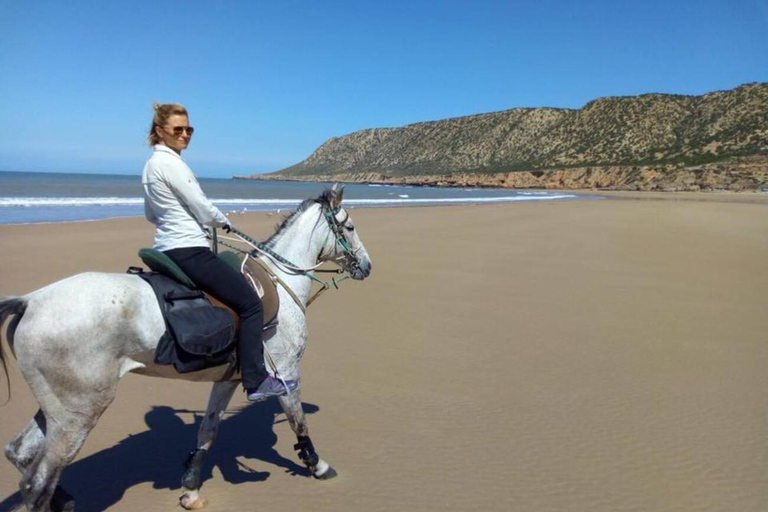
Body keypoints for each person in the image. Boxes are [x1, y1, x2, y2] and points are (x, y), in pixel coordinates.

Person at [141, 102, 296, 402]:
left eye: (189, 129)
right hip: (188, 248)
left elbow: (151, 214)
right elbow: (199, 204)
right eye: (178, 129)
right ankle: (254, 379)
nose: (185, 134)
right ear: (160, 131)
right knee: (250, 303)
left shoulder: (150, 166)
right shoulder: (171, 163)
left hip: (166, 245)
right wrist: (222, 221)